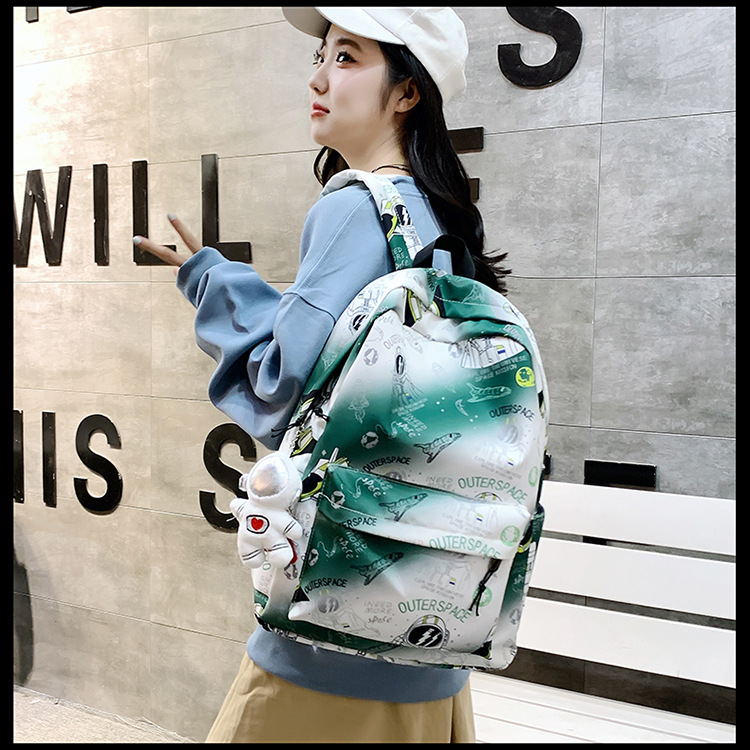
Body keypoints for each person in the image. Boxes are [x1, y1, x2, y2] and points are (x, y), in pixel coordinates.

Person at [135, 7, 510, 743]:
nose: (317, 78)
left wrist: (212, 282)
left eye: (347, 57)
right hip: (435, 616)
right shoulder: (440, 218)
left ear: (407, 92)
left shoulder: (353, 206)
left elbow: (281, 384)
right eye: (322, 57)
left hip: (338, 618)